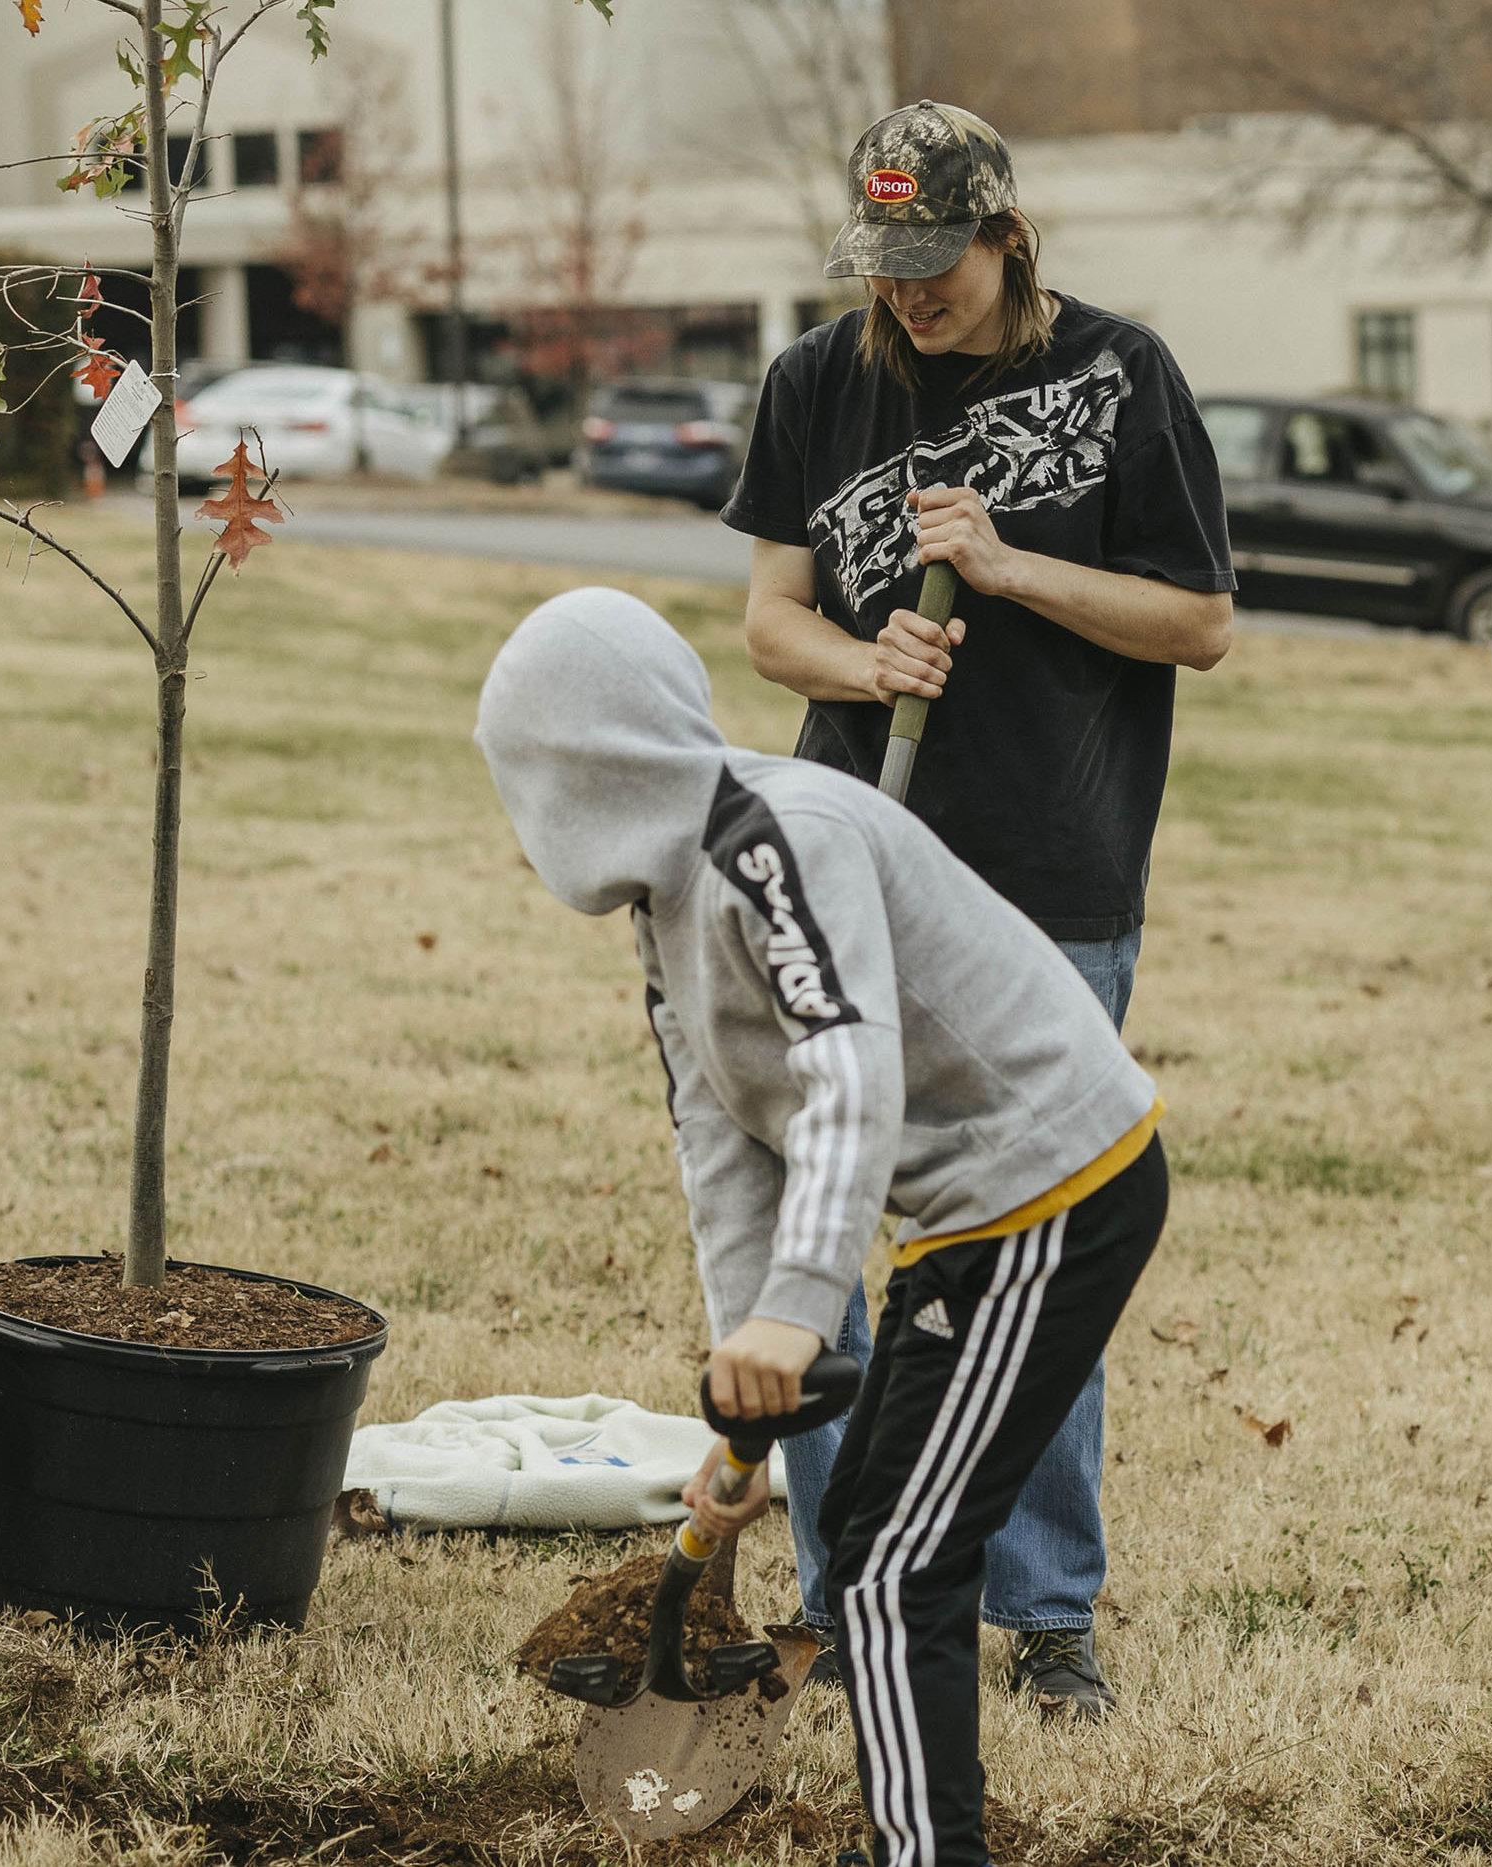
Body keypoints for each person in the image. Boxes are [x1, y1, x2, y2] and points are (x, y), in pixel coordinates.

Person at [476, 587, 1170, 1867]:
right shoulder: (669, 908)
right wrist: (748, 1412)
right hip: (973, 1217)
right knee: (877, 1549)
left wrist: (802, 1307)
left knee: (896, 1568)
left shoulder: (769, 836)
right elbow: (726, 1149)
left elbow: (852, 1068)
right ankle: (914, 1839)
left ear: (581, 764)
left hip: (1054, 1186)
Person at [723, 98, 1233, 1720]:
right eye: (885, 266)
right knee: (836, 1228)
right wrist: (866, 661)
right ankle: (835, 1582)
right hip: (857, 862)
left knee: (1037, 1233)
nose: (910, 295)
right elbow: (767, 620)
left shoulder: (1122, 376)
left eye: (936, 262)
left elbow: (1199, 620)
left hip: (1051, 874)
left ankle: (1046, 1608)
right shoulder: (820, 380)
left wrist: (1011, 572)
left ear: (1009, 233)